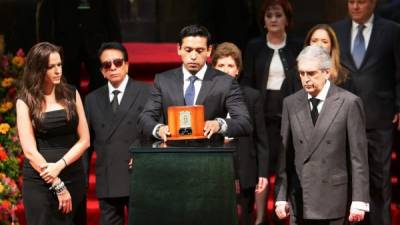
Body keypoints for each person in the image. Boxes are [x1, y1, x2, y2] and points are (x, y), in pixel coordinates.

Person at [275, 45, 369, 225]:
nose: (305, 79)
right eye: (302, 74)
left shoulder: (349, 103)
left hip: (334, 199)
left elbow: (359, 158)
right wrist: (281, 196)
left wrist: (359, 201)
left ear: (327, 72)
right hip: (300, 197)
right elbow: (285, 156)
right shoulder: (291, 103)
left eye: (311, 73)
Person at [332, 1, 400, 225]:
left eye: (361, 1)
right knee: (349, 179)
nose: (355, 6)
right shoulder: (337, 30)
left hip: (379, 116)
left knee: (380, 181)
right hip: (343, 118)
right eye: (351, 1)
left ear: (373, 3)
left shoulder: (391, 30)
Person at [16, 42, 90, 225]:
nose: (58, 71)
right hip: (41, 181)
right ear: (39, 70)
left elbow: (85, 140)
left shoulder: (71, 93)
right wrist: (56, 182)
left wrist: (60, 165)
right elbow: (30, 151)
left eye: (59, 65)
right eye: (51, 67)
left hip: (73, 176)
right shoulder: (25, 101)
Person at [138, 24, 252, 142]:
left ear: (209, 51)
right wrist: (159, 129)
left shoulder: (226, 82)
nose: (193, 56)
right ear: (179, 49)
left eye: (199, 51)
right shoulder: (163, 80)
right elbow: (145, 118)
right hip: (172, 153)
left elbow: (244, 122)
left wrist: (219, 125)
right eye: (188, 50)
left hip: (210, 154)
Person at [84, 42, 150, 225]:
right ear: (102, 71)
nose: (113, 67)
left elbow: (157, 131)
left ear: (127, 65)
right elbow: (85, 143)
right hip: (107, 177)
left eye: (118, 62)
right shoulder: (92, 100)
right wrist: (81, 178)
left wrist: (144, 154)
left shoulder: (146, 92)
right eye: (107, 64)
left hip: (138, 173)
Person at [240, 0, 301, 178]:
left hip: (289, 108)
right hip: (261, 109)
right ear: (264, 21)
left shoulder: (296, 46)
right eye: (269, 16)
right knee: (263, 159)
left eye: (278, 15)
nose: (273, 19)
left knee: (286, 156)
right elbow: (247, 79)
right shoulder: (254, 46)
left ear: (287, 20)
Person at [212, 42, 269, 225]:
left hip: (245, 169)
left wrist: (263, 173)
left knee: (244, 217)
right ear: (213, 69)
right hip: (215, 169)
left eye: (230, 66)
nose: (225, 70)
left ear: (238, 70)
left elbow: (261, 140)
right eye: (220, 65)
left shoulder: (252, 97)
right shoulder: (206, 97)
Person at [36, 0, 122, 92]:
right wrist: (45, 49)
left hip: (97, 43)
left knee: (101, 89)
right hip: (65, 45)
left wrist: (116, 48)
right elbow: (44, 17)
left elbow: (112, 16)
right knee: (67, 92)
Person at [303, 24, 356, 93]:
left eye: (324, 41)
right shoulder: (294, 76)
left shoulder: (344, 77)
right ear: (308, 44)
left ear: (332, 47)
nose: (319, 45)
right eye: (314, 40)